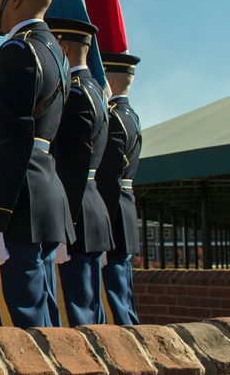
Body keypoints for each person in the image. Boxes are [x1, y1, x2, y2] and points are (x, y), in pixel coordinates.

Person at [0, 0, 75, 328]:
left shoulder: (18, 52)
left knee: (16, 335)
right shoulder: (56, 53)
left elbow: (11, 140)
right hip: (40, 207)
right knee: (43, 328)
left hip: (11, 214)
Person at [46, 18, 114, 327]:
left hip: (74, 218)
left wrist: (63, 229)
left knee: (74, 321)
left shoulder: (74, 94)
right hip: (92, 212)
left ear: (64, 47)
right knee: (91, 315)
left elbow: (70, 166)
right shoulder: (97, 91)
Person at [97, 52, 142, 325]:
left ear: (109, 80)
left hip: (111, 218)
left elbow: (108, 179)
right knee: (122, 296)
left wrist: (102, 233)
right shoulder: (131, 115)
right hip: (124, 211)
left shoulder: (113, 118)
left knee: (112, 301)